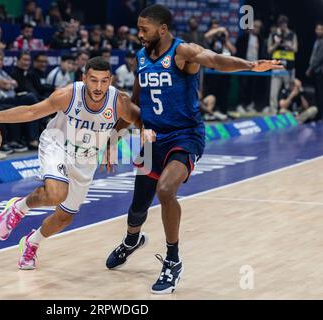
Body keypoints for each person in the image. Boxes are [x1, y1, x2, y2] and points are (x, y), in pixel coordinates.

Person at [104, 4, 283, 294]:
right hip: (152, 138)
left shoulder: (182, 51)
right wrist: (114, 137)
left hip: (184, 136)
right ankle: (131, 240)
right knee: (137, 208)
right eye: (138, 28)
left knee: (165, 190)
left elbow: (215, 60)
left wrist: (251, 65)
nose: (138, 34)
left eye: (143, 29)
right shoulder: (141, 56)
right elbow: (138, 103)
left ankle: (173, 260)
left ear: (162, 29)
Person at [0, 56, 142, 270]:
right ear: (84, 78)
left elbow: (137, 119)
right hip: (57, 144)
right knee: (56, 193)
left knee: (64, 218)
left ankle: (31, 243)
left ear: (111, 80)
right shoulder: (68, 95)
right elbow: (31, 111)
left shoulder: (119, 101)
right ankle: (19, 208)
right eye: (93, 80)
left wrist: (113, 141)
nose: (98, 87)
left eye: (104, 81)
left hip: (86, 159)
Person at [267, 15, 298, 114]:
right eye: (281, 25)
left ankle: (287, 111)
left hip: (289, 68)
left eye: (284, 24)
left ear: (287, 24)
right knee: (274, 92)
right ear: (279, 25)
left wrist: (288, 45)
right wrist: (277, 43)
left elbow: (296, 49)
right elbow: (269, 50)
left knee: (289, 91)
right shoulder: (273, 34)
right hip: (276, 67)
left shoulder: (292, 34)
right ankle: (273, 112)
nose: (283, 26)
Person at [235, 19, 267, 114]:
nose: (256, 28)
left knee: (252, 86)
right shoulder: (243, 38)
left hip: (255, 66)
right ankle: (240, 105)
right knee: (242, 85)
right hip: (244, 65)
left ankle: (249, 104)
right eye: (255, 26)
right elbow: (238, 51)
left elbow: (262, 53)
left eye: (258, 27)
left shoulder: (261, 40)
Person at [306, 22, 323, 120]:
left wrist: (310, 68)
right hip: (315, 71)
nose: (319, 31)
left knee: (320, 93)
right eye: (317, 29)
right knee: (317, 93)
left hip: (319, 71)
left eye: (321, 29)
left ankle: (320, 114)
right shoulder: (316, 41)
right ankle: (318, 112)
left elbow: (319, 58)